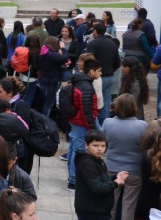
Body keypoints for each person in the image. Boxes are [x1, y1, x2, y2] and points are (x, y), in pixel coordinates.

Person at [75, 129, 128, 220]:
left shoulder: (96, 161)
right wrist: (116, 183)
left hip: (94, 211)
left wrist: (115, 177)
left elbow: (100, 181)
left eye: (103, 146)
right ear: (86, 145)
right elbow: (96, 187)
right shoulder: (87, 163)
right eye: (96, 145)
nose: (100, 149)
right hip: (93, 212)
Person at [102, 94, 146, 220]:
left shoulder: (108, 123)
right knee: (129, 206)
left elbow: (104, 143)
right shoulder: (142, 126)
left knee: (110, 205)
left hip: (112, 169)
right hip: (134, 171)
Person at [66, 58, 102, 191]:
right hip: (81, 122)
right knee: (79, 150)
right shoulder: (86, 86)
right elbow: (87, 110)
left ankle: (71, 176)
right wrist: (92, 127)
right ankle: (73, 181)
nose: (100, 73)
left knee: (73, 148)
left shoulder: (80, 81)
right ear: (91, 71)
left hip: (75, 120)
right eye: (99, 71)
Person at [87, 21, 122, 122]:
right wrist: (110, 71)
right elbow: (117, 63)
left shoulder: (93, 44)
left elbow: (89, 62)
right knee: (106, 103)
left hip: (97, 78)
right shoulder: (112, 44)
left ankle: (94, 123)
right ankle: (104, 124)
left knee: (94, 102)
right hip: (110, 77)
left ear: (95, 31)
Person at [36, 36, 69, 116]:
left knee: (42, 101)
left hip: (43, 79)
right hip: (51, 81)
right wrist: (63, 49)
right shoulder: (50, 54)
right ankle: (45, 120)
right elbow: (64, 58)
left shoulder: (43, 50)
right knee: (48, 103)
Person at [120, 56, 149, 121]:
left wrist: (116, 104)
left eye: (124, 67)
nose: (122, 69)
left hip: (133, 118)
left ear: (131, 68)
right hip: (129, 115)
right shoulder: (127, 79)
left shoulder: (135, 84)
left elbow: (130, 102)